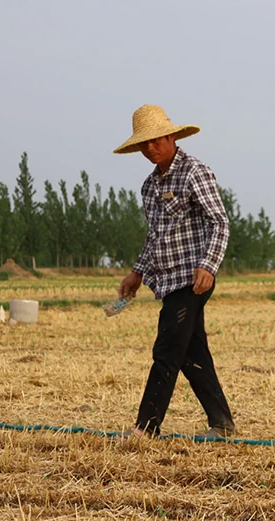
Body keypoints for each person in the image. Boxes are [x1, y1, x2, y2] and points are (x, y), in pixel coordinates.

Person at [113, 104, 234, 440]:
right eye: (143, 144)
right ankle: (222, 424)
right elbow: (155, 236)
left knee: (166, 350)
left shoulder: (195, 172)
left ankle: (146, 427)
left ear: (171, 136)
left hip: (193, 279)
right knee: (191, 351)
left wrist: (208, 265)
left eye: (156, 140)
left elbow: (219, 222)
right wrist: (136, 273)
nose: (150, 148)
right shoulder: (149, 187)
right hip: (166, 280)